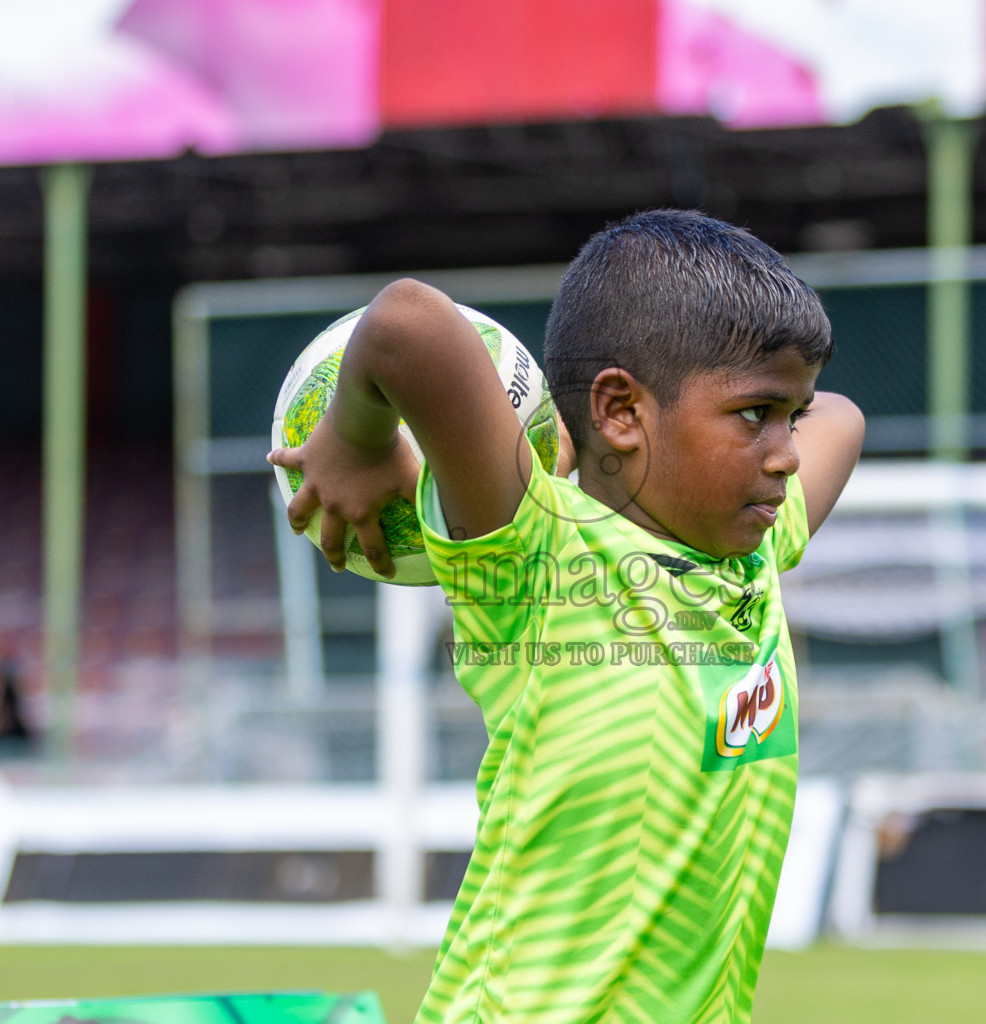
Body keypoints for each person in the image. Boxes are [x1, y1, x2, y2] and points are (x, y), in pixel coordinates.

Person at [269, 210, 864, 1023]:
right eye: (753, 414)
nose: (787, 451)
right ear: (619, 411)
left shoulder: (751, 549)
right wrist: (356, 437)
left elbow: (843, 414)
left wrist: (769, 408)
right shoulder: (539, 554)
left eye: (787, 419)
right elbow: (408, 322)